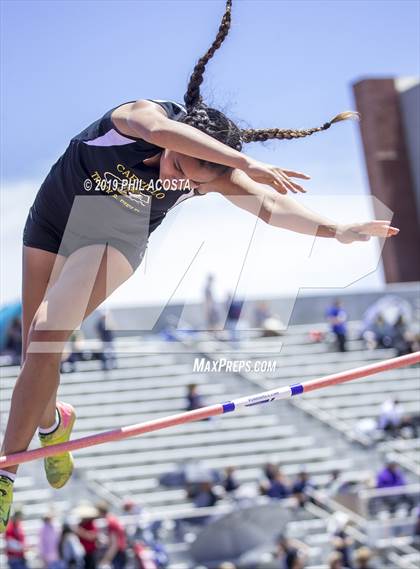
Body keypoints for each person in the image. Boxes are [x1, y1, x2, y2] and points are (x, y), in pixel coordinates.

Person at [0, 0, 400, 526]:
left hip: (113, 239)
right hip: (51, 220)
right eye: (182, 169)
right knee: (35, 349)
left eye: (195, 182)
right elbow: (168, 136)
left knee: (49, 335)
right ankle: (54, 422)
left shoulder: (209, 173)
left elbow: (273, 207)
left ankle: (4, 476)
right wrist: (245, 159)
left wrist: (338, 229)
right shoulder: (140, 117)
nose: (180, 181)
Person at [96, 502, 127, 569]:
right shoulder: (113, 518)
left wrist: (106, 559)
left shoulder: (110, 521)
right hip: (120, 551)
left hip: (118, 553)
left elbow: (114, 544)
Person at [73, 504, 99, 569]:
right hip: (81, 553)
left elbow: (92, 536)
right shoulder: (80, 524)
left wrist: (80, 532)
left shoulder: (91, 524)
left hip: (90, 552)